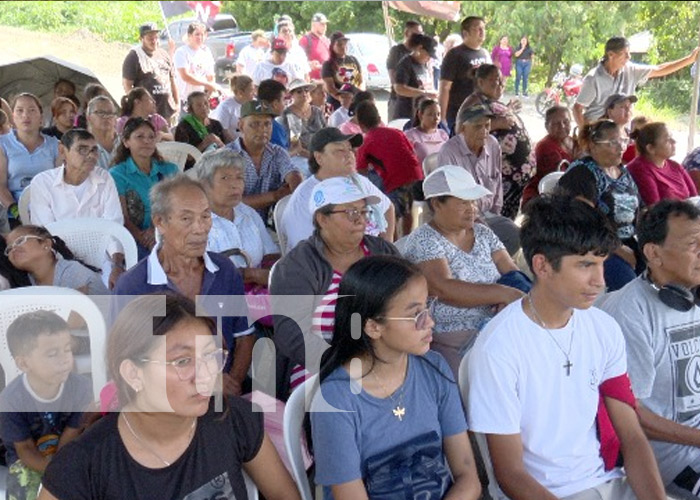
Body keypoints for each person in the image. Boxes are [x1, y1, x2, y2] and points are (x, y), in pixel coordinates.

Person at [469, 194, 669, 500]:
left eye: (602, 264)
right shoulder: (498, 348)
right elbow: (510, 474)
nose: (599, 281)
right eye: (585, 265)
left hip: (611, 482)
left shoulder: (603, 328)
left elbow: (631, 435)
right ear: (542, 265)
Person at [39, 294, 299, 500]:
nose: (206, 374)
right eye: (182, 361)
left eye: (211, 355)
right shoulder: (83, 466)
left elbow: (284, 495)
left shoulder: (233, 418)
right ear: (133, 373)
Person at [311, 255, 481, 500]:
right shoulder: (336, 401)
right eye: (415, 314)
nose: (429, 321)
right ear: (373, 327)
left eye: (427, 307)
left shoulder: (434, 369)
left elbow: (468, 476)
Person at [112, 176, 256, 396]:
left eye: (206, 216)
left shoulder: (225, 271)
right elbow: (123, 362)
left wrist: (232, 382)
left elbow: (244, 335)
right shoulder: (133, 286)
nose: (200, 229)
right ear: (160, 222)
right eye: (186, 219)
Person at [600, 200, 700, 499]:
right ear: (653, 253)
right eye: (693, 244)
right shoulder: (630, 313)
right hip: (669, 459)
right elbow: (634, 415)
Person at [270, 176, 399, 392]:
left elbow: (406, 305)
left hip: (383, 357)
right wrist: (348, 365)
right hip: (321, 364)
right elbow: (292, 335)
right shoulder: (297, 266)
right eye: (350, 212)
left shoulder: (383, 253)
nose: (361, 220)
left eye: (364, 211)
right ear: (322, 219)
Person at [402, 166, 525, 375]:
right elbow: (443, 288)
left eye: (473, 201)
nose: (472, 209)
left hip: (498, 327)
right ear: (436, 204)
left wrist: (513, 296)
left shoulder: (483, 233)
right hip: (455, 340)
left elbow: (510, 273)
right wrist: (504, 294)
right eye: (462, 202)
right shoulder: (424, 240)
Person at [0, 310, 91, 500]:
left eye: (67, 350)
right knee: (23, 485)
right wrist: (53, 470)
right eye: (52, 354)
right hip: (27, 462)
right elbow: (24, 448)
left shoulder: (81, 388)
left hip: (66, 453)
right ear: (24, 364)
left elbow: (72, 432)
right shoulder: (11, 399)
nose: (65, 358)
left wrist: (61, 468)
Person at [29, 129, 125, 288]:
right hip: (59, 262)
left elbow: (114, 226)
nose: (91, 155)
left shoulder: (104, 178)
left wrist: (117, 266)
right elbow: (45, 234)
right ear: (62, 151)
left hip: (101, 259)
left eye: (94, 150)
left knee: (116, 295)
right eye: (82, 149)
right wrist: (77, 272)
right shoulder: (42, 183)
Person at [559, 119, 643, 291]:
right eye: (613, 143)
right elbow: (584, 223)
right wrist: (619, 249)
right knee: (630, 287)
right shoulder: (582, 173)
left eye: (623, 141)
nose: (621, 148)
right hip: (594, 247)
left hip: (628, 241)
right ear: (593, 145)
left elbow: (640, 209)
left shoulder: (622, 171)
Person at [280, 127, 394, 252]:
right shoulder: (306, 197)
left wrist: (386, 249)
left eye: (350, 149)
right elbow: (309, 252)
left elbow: (388, 207)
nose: (350, 155)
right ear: (319, 158)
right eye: (340, 150)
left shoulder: (358, 180)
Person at [438, 104, 521, 256]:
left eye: (487, 126)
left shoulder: (493, 144)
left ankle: (490, 270)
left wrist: (496, 214)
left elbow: (497, 183)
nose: (484, 132)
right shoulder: (449, 152)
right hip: (460, 219)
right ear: (463, 128)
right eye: (477, 127)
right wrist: (478, 224)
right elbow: (451, 200)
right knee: (485, 241)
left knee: (515, 234)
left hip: (487, 214)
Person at [460, 63, 535, 219]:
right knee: (495, 218)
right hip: (500, 173)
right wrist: (496, 124)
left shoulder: (488, 100)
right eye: (495, 80)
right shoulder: (474, 101)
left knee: (507, 219)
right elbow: (461, 130)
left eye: (502, 81)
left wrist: (508, 110)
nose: (500, 85)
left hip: (517, 174)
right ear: (480, 82)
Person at [196, 149, 279, 287]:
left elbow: (269, 254)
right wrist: (252, 275)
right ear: (205, 184)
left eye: (239, 177)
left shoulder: (248, 214)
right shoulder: (195, 223)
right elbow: (197, 275)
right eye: (225, 178)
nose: (235, 185)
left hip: (257, 294)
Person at [574, 36, 700, 127]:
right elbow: (577, 108)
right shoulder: (593, 78)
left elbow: (659, 69)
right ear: (611, 54)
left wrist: (689, 60)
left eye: (629, 54)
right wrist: (585, 134)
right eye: (625, 54)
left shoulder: (630, 69)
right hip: (598, 130)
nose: (629, 58)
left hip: (621, 132)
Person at [109, 117, 179, 258]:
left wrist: (156, 232)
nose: (147, 141)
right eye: (140, 137)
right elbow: (122, 217)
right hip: (135, 238)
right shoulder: (118, 174)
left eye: (151, 137)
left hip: (168, 232)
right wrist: (144, 239)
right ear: (126, 142)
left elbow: (179, 207)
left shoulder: (170, 170)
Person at [355, 101, 423, 236]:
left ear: (361, 126)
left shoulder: (367, 142)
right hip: (415, 174)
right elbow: (411, 151)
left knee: (392, 214)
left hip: (395, 180)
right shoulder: (397, 132)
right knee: (407, 209)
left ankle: (394, 243)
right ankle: (407, 237)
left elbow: (360, 171)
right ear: (379, 119)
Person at [227, 100, 303, 222]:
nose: (263, 129)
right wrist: (275, 196)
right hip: (235, 224)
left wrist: (295, 188)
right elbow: (232, 203)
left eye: (267, 124)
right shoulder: (227, 157)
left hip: (269, 224)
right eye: (255, 124)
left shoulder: (277, 152)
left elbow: (293, 175)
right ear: (241, 125)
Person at [0, 93, 61, 222]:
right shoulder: (3, 144)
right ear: (13, 117)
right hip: (14, 212)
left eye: (32, 110)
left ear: (41, 117)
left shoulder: (55, 145)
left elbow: (60, 183)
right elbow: (1, 186)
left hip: (50, 210)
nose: (25, 115)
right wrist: (18, 211)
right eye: (20, 110)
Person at [5, 224, 108, 295]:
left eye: (20, 241)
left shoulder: (73, 273)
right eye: (8, 249)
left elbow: (75, 321)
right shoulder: (25, 282)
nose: (13, 249)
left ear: (46, 244)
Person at [439, 16, 491, 131]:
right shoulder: (455, 55)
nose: (482, 32)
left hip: (481, 110)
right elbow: (445, 87)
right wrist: (442, 118)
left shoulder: (485, 54)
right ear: (465, 33)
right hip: (458, 112)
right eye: (477, 29)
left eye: (483, 28)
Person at [627, 122, 697, 205]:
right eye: (667, 140)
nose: (674, 141)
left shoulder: (675, 166)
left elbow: (694, 197)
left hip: (687, 214)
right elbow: (654, 207)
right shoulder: (639, 169)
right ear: (650, 148)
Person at [122, 22, 178, 123]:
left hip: (167, 110)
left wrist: (177, 103)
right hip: (148, 114)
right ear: (141, 39)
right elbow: (127, 85)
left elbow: (172, 80)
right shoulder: (134, 56)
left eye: (156, 37)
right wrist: (138, 108)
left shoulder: (164, 55)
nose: (154, 41)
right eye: (150, 38)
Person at [522, 105, 574, 207]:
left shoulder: (573, 141)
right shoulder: (545, 146)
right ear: (546, 126)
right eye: (556, 123)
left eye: (566, 122)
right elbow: (558, 180)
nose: (562, 126)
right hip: (542, 198)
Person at [279, 79, 327, 177]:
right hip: (300, 156)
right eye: (299, 91)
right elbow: (295, 145)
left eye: (306, 90)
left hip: (321, 153)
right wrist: (314, 157)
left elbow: (326, 134)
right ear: (292, 94)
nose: (304, 94)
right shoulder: (288, 114)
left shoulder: (317, 111)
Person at [392, 33, 438, 121]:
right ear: (420, 48)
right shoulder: (405, 64)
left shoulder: (426, 64)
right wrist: (424, 92)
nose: (429, 58)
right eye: (428, 54)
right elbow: (399, 88)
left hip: (421, 112)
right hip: (406, 113)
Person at [174, 91, 228, 164]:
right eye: (199, 105)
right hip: (195, 168)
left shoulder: (216, 124)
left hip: (217, 164)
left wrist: (218, 141)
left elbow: (226, 150)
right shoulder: (184, 126)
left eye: (206, 103)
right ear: (191, 108)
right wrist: (204, 144)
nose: (204, 107)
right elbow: (184, 158)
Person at [173, 22, 217, 110]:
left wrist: (209, 92)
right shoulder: (181, 52)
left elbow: (210, 76)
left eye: (202, 34)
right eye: (197, 34)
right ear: (189, 35)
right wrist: (206, 84)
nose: (200, 37)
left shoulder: (206, 52)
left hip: (202, 99)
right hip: (186, 100)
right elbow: (185, 76)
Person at [386, 20, 424, 120]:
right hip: (398, 100)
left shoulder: (420, 53)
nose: (419, 38)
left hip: (416, 101)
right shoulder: (396, 51)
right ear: (407, 33)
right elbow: (393, 76)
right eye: (416, 34)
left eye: (421, 34)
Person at [322, 32, 364, 111]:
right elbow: (330, 88)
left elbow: (361, 80)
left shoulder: (353, 60)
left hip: (355, 99)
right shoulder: (328, 64)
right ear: (332, 46)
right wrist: (342, 99)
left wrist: (361, 95)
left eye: (345, 44)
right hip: (337, 102)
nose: (343, 47)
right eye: (339, 44)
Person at [210, 74, 255, 143]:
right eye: (251, 91)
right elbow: (224, 132)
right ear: (240, 92)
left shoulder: (254, 104)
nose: (254, 93)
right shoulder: (225, 107)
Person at [404, 98, 450, 164]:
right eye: (431, 114)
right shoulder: (410, 136)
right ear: (420, 115)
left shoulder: (443, 134)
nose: (436, 118)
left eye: (438, 114)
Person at [603, 93, 639, 163]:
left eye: (630, 106)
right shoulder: (602, 134)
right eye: (623, 107)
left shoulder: (630, 133)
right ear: (610, 112)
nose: (628, 110)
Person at [257, 79, 291, 150]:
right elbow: (280, 156)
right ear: (275, 104)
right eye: (283, 99)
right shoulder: (274, 127)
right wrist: (296, 149)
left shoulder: (254, 121)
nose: (285, 103)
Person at [299, 12, 330, 81]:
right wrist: (309, 64)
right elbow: (298, 62)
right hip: (313, 84)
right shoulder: (305, 40)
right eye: (322, 24)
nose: (325, 26)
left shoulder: (326, 40)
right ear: (313, 24)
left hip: (327, 82)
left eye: (325, 24)